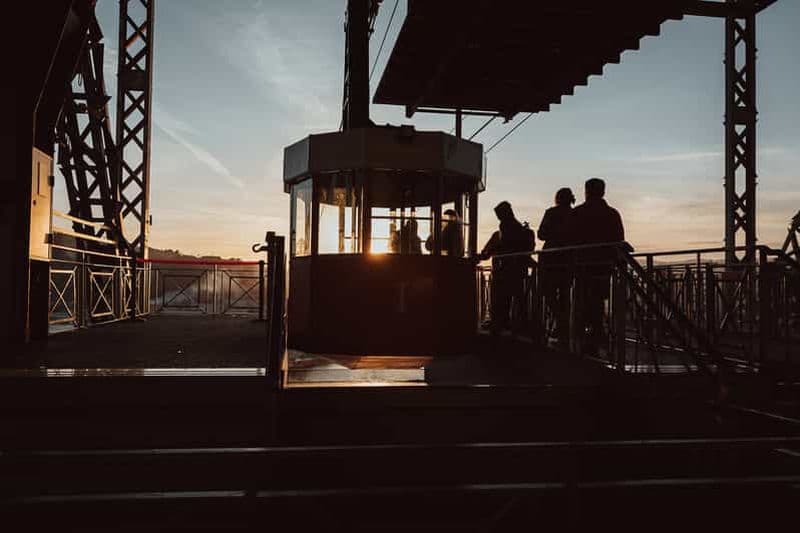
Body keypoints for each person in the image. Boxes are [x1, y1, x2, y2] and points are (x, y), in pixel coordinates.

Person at [569, 178, 626, 353]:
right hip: (604, 266)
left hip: (582, 265)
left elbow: (570, 237)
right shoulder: (612, 214)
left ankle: (582, 337)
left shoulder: (578, 213)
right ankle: (596, 333)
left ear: (586, 191)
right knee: (598, 301)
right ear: (603, 192)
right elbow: (619, 238)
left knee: (582, 300)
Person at [479, 201, 535, 335]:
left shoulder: (502, 231)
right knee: (519, 300)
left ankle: (504, 324)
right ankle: (521, 324)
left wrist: (487, 253)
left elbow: (490, 251)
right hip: (517, 271)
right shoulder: (522, 231)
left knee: (503, 300)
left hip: (504, 271)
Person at [537, 187, 575, 346]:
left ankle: (559, 322)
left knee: (548, 291)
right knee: (565, 294)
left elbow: (541, 234)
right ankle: (563, 325)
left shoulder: (551, 213)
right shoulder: (575, 214)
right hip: (568, 259)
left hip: (551, 259)